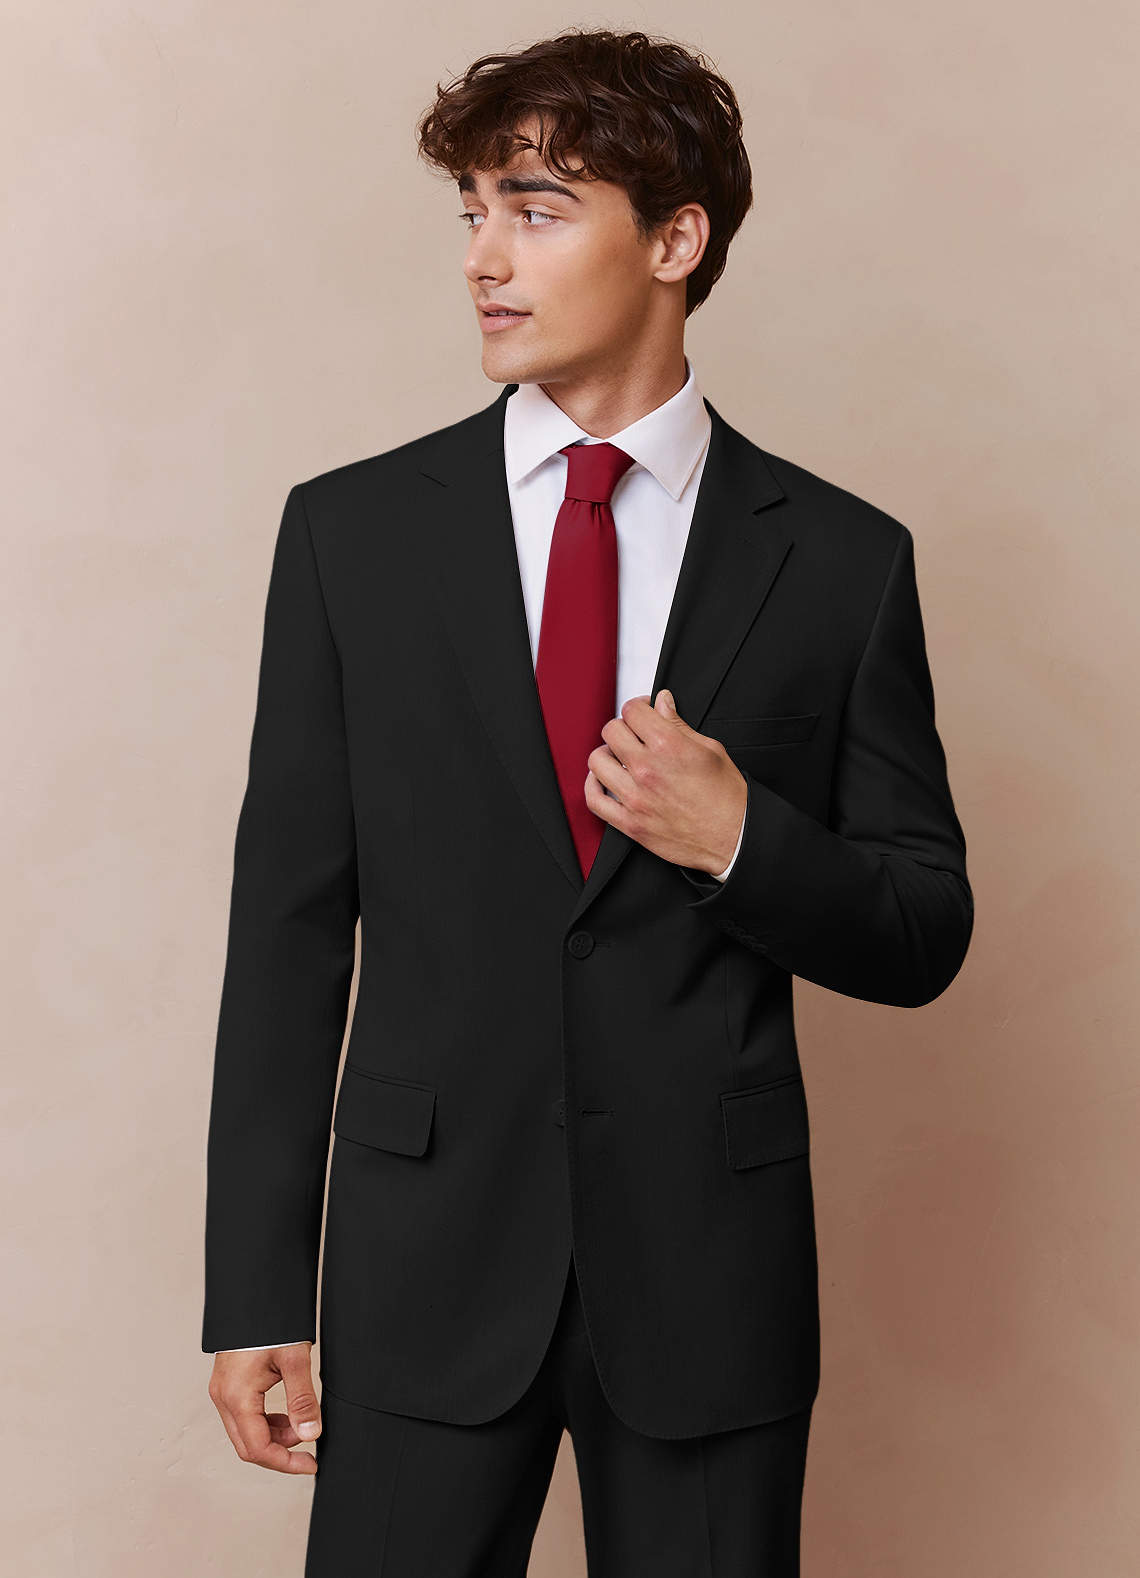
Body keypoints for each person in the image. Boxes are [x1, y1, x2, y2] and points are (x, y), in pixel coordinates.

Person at [203, 27, 973, 1577]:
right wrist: (255, 1289)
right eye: (474, 210)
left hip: (710, 1282)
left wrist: (740, 838)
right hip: (422, 1269)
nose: (484, 257)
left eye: (538, 209)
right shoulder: (353, 536)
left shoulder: (840, 560)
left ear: (675, 240)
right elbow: (288, 930)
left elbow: (920, 926)